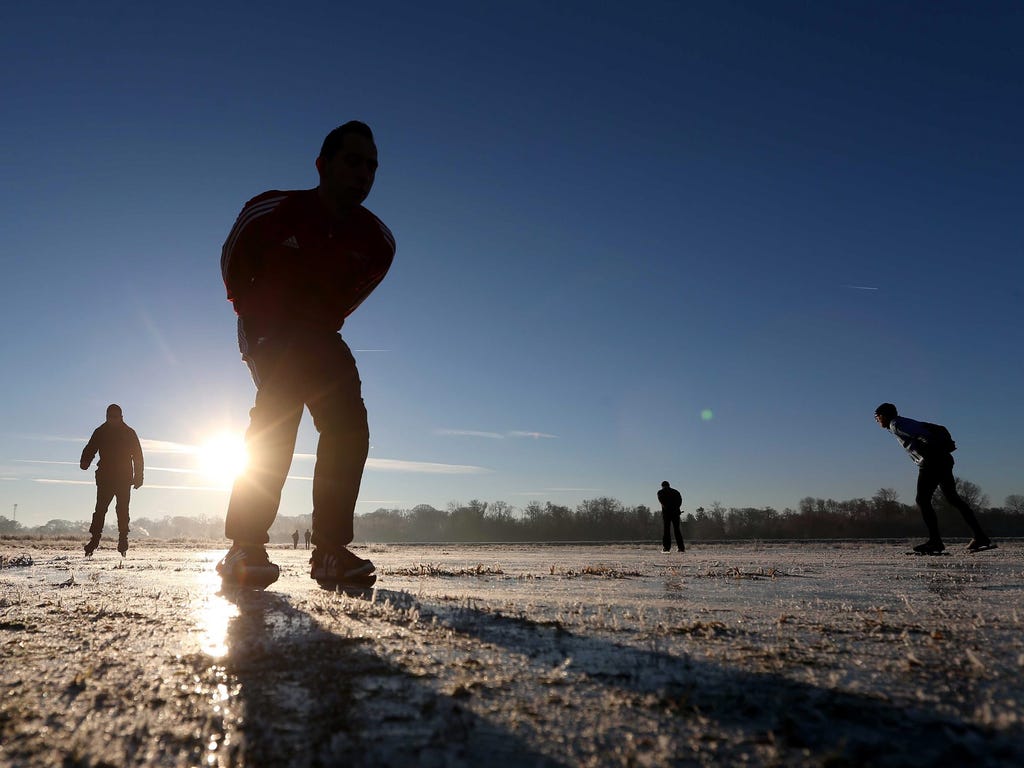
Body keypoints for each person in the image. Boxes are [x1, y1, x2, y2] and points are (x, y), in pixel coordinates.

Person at [217, 121, 396, 591]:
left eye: (372, 166)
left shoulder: (377, 241)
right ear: (323, 165)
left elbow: (354, 294)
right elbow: (232, 259)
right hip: (267, 331)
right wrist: (254, 317)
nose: (364, 173)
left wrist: (321, 323)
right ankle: (245, 544)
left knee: (349, 426)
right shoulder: (273, 210)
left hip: (320, 335)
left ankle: (331, 551)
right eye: (353, 162)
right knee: (279, 413)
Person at [874, 403, 994, 554]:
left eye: (876, 417)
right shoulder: (901, 422)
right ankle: (980, 536)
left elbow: (924, 435)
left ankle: (935, 542)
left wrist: (931, 451)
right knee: (952, 498)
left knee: (923, 500)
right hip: (942, 460)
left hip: (932, 462)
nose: (877, 421)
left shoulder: (896, 424)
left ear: (883, 415)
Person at [80, 404, 144, 556]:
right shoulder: (100, 432)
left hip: (124, 478)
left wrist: (138, 477)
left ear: (121, 417)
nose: (112, 420)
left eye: (115, 417)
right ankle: (94, 539)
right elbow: (90, 447)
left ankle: (123, 538)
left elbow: (138, 457)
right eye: (110, 417)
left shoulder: (129, 433)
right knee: (100, 510)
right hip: (105, 478)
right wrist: (85, 461)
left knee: (122, 509)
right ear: (106, 417)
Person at [657, 481, 685, 553]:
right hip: (676, 513)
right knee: (677, 530)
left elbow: (663, 502)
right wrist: (675, 508)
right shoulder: (676, 492)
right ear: (669, 485)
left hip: (666, 514)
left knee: (666, 530)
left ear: (662, 486)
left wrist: (668, 508)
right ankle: (681, 548)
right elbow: (680, 501)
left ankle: (666, 548)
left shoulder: (660, 492)